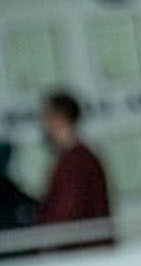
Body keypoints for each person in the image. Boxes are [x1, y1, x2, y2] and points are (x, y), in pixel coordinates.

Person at [35, 89, 113, 248]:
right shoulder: (78, 158)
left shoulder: (77, 162)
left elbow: (68, 211)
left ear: (58, 119)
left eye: (47, 119)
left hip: (84, 253)